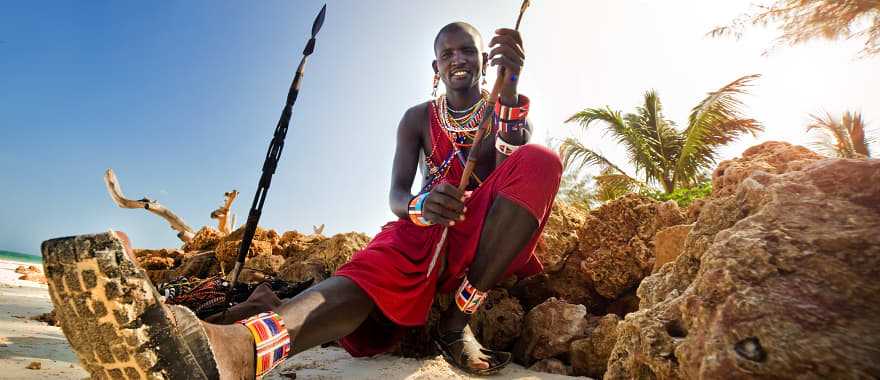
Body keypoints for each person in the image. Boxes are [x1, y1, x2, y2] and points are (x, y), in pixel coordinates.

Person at [42, 22, 562, 380]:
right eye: (448, 53)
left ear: (483, 58)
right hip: (419, 235)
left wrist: (511, 85)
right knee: (358, 283)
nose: (459, 60)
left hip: (477, 242)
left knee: (541, 160)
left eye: (468, 50)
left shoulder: (502, 108)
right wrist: (424, 206)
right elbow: (397, 196)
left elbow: (511, 170)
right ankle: (238, 352)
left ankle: (456, 323)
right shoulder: (414, 119)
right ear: (435, 65)